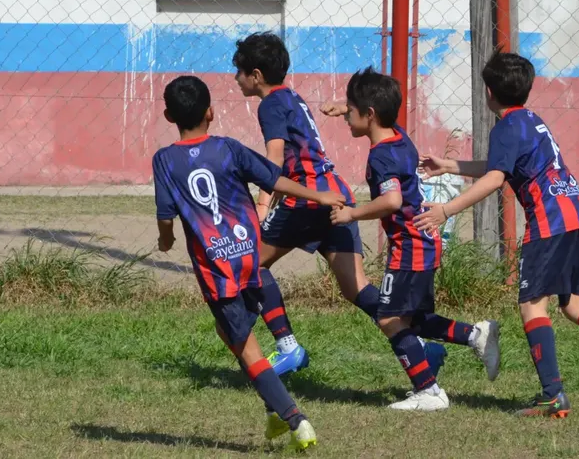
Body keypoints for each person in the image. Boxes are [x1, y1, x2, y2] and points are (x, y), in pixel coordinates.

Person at [415, 51, 579, 418]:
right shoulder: (530, 120)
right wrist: (449, 165)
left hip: (550, 222)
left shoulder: (505, 127)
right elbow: (503, 164)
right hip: (577, 212)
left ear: (487, 92)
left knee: (532, 304)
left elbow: (497, 177)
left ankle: (552, 395)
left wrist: (445, 210)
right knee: (573, 303)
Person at [232, 32, 445, 378]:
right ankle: (419, 348)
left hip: (310, 199)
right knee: (355, 287)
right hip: (335, 195)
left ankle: (288, 348)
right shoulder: (292, 98)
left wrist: (262, 203)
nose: (236, 78)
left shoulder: (270, 103)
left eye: (239, 72)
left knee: (252, 264)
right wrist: (345, 107)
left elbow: (274, 156)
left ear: (256, 75)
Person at [152, 75, 340, 450]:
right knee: (230, 335)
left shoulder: (164, 160)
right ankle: (272, 410)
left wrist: (166, 239)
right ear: (211, 112)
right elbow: (275, 179)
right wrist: (317, 195)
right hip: (250, 260)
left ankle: (295, 419)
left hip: (217, 271)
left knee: (246, 348)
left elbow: (166, 215)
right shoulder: (228, 149)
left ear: (168, 115)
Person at [323, 67, 500, 411]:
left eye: (352, 110)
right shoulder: (399, 136)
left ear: (370, 114)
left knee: (390, 320)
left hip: (410, 248)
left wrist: (352, 213)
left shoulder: (381, 156)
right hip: (423, 241)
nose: (347, 118)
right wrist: (345, 107)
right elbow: (375, 112)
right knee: (411, 320)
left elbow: (391, 201)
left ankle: (429, 391)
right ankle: (475, 335)